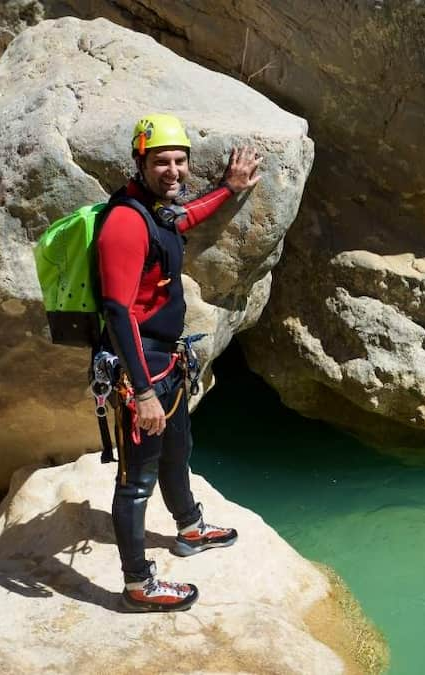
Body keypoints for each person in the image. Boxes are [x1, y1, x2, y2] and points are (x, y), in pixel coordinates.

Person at [97, 113, 262, 612]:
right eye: (161, 162)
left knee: (177, 452)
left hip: (167, 364)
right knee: (136, 482)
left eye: (179, 161)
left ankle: (190, 527)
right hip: (140, 371)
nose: (173, 171)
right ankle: (137, 585)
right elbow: (116, 311)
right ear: (139, 162)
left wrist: (229, 189)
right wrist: (142, 391)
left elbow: (182, 220)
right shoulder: (125, 221)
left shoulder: (155, 211)